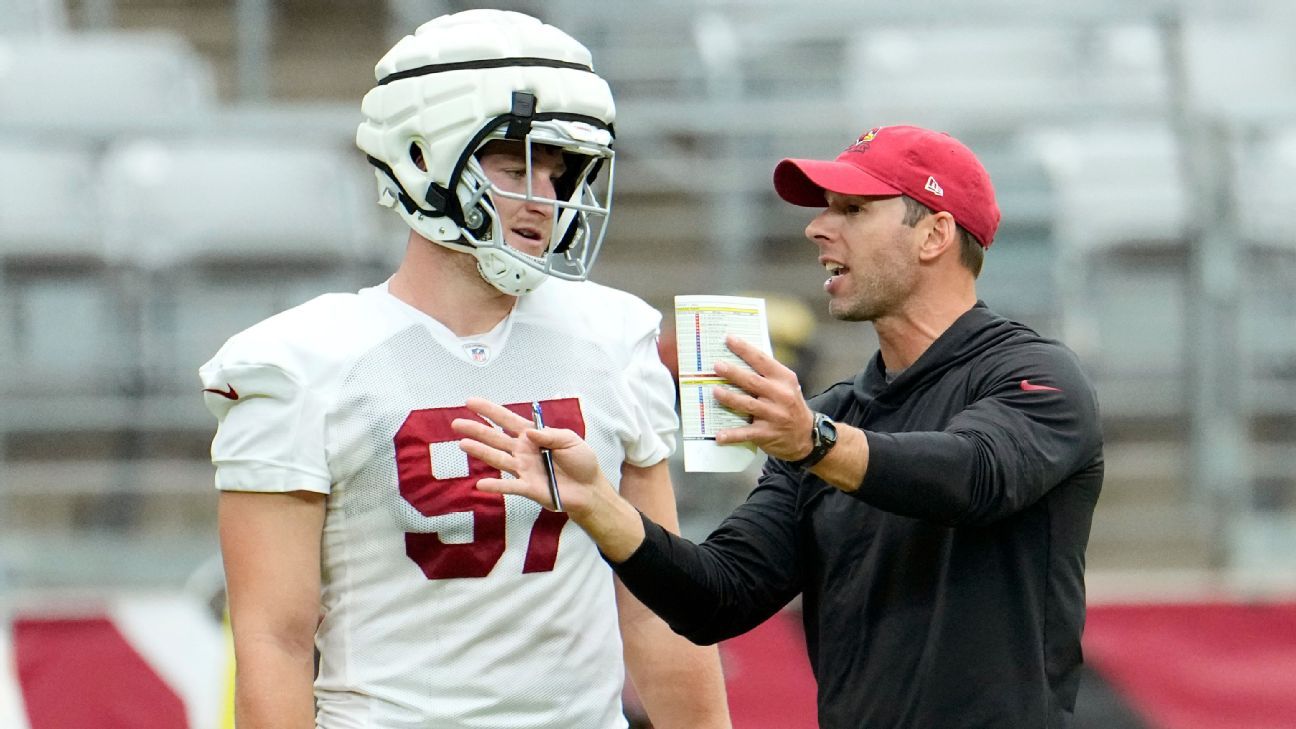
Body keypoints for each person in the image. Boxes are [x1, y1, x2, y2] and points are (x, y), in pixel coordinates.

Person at [454, 124, 1105, 728]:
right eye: (824, 208)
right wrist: (600, 505)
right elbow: (718, 597)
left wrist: (815, 443)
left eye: (851, 210)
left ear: (934, 234)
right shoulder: (830, 417)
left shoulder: (1036, 376)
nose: (817, 229)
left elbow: (975, 474)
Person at [200, 10, 730, 729]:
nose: (546, 194)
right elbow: (275, 640)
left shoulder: (616, 337)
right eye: (516, 164)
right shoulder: (302, 364)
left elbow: (657, 609)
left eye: (561, 168)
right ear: (421, 158)